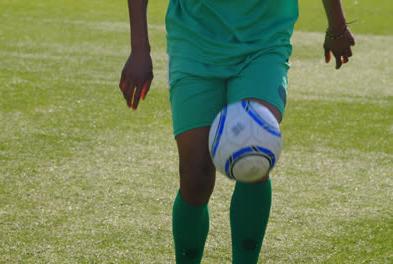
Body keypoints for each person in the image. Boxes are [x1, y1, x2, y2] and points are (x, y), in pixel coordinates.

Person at [119, 0, 355, 263]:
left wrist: (337, 25)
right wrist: (139, 48)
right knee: (195, 176)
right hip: (194, 40)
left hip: (263, 42)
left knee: (254, 153)